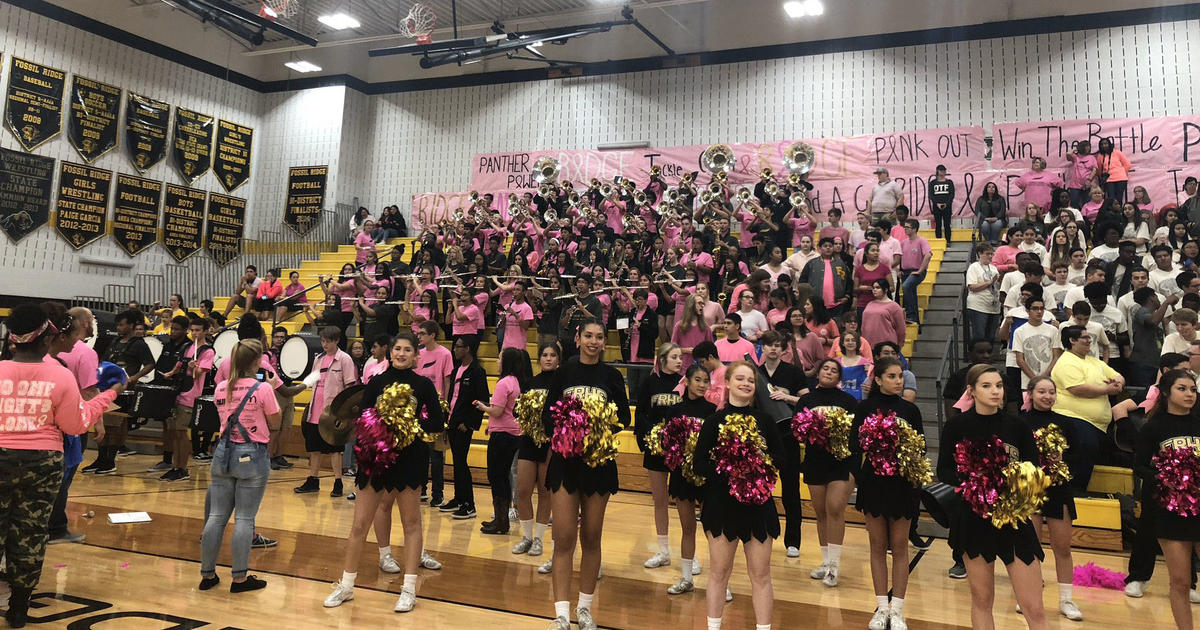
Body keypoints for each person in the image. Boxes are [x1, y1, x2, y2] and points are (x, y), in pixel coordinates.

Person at [0, 304, 120, 626]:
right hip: (42, 461)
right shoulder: (59, 376)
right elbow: (75, 425)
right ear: (46, 338)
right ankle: (19, 608)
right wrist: (107, 396)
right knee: (31, 531)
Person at [323, 331, 446, 613]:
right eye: (397, 349)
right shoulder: (376, 382)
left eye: (407, 350)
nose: (401, 353)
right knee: (358, 525)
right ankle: (347, 585)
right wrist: (381, 429)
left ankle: (409, 589)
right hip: (376, 459)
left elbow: (437, 423)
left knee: (411, 523)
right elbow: (364, 420)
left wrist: (408, 427)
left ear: (416, 355)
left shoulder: (424, 385)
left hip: (410, 459)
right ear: (390, 353)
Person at [937, 365, 1050, 630]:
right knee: (982, 600)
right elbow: (944, 471)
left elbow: (1033, 469)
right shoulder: (956, 427)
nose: (995, 391)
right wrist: (976, 483)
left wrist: (1013, 486)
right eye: (986, 386)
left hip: (1013, 519)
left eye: (998, 385)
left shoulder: (1018, 426)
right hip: (974, 520)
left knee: (1034, 607)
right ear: (971, 391)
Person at [544, 321, 631, 630]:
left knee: (592, 536)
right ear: (578, 339)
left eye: (599, 337)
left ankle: (584, 609)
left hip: (599, 465)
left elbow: (624, 416)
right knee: (563, 537)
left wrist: (595, 426)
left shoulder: (612, 376)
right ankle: (561, 614)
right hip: (566, 464)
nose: (593, 342)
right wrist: (569, 431)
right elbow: (547, 416)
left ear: (604, 342)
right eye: (589, 336)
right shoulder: (564, 372)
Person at [692, 360, 784, 630]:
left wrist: (756, 465)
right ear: (728, 383)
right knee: (719, 573)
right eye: (740, 379)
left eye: (751, 380)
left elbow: (781, 458)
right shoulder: (713, 422)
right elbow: (699, 465)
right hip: (722, 505)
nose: (746, 384)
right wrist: (730, 469)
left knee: (762, 574)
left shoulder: (766, 421)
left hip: (759, 505)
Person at [198, 338, 279, 594]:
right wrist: (273, 388)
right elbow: (275, 423)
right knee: (244, 518)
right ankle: (240, 578)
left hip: (223, 451)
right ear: (256, 362)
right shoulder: (263, 388)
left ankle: (207, 574)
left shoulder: (221, 387)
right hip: (251, 453)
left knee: (216, 516)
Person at [850, 356, 924, 630]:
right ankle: (882, 608)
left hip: (903, 484)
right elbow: (854, 446)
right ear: (878, 380)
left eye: (900, 376)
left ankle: (899, 610)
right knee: (878, 546)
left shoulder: (910, 410)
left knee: (901, 545)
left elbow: (921, 448)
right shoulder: (864, 408)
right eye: (891, 376)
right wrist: (862, 476)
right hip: (873, 484)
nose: (898, 381)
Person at [1134, 369, 1200, 630]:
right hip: (1171, 511)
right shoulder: (1153, 428)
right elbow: (1140, 466)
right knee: (1181, 581)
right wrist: (1167, 478)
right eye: (1182, 389)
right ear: (1167, 393)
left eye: (1192, 389)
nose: (1189, 394)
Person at [1023, 376, 1085, 621]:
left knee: (1063, 546)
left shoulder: (1065, 423)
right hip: (1030, 490)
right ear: (1030, 393)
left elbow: (1078, 456)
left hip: (1058, 490)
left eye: (1051, 392)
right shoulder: (1021, 422)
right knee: (1031, 546)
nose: (1047, 396)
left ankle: (1066, 599)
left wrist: (1061, 461)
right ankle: (1031, 597)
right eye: (1041, 391)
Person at [797, 359, 858, 587]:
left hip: (841, 462)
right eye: (825, 368)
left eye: (834, 370)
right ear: (818, 373)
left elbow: (856, 434)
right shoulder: (806, 400)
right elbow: (797, 429)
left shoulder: (849, 401)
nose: (829, 372)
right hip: (815, 462)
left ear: (839, 377)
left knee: (835, 509)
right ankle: (825, 562)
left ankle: (834, 567)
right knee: (821, 513)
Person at [660, 363, 718, 595]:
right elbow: (666, 444)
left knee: (713, 530)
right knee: (687, 528)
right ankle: (686, 578)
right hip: (681, 476)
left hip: (706, 477)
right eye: (698, 380)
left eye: (706, 381)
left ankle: (721, 583)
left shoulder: (713, 411)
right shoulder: (674, 411)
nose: (702, 385)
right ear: (687, 381)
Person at [1050, 325, 1124, 489]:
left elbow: (1117, 375)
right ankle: (1075, 493)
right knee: (1082, 455)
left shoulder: (1094, 361)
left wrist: (1118, 383)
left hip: (1097, 424)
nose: (1089, 340)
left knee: (1094, 456)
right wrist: (1107, 389)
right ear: (1072, 340)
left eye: (1089, 337)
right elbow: (1077, 389)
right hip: (1074, 419)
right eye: (1085, 337)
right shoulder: (1066, 362)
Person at [82, 309, 154, 475]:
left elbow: (150, 364)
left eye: (122, 325)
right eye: (118, 325)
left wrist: (135, 377)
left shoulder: (139, 343)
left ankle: (110, 460)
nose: (119, 328)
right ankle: (101, 458)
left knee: (116, 425)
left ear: (130, 325)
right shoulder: (114, 341)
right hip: (106, 387)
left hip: (124, 389)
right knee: (105, 422)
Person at [635, 343, 684, 569]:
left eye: (680, 357)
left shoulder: (685, 383)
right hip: (656, 449)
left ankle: (688, 555)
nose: (679, 361)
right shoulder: (650, 382)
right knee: (660, 500)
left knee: (685, 501)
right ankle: (663, 551)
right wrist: (651, 436)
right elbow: (641, 413)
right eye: (674, 357)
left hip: (680, 450)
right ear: (662, 359)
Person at [294, 327, 358, 497]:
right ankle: (312, 480)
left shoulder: (345, 359)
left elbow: (350, 387)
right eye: (322, 341)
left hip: (333, 412)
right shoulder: (318, 359)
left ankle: (338, 483)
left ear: (336, 340)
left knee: (334, 449)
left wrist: (344, 414)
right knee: (314, 448)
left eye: (328, 341)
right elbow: (312, 380)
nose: (324, 344)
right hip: (315, 410)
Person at [513, 343, 560, 560]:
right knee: (522, 490)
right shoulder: (530, 383)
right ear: (539, 359)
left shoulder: (561, 383)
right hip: (529, 440)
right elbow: (516, 409)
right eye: (544, 355)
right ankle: (526, 536)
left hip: (550, 442)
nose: (548, 359)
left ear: (558, 359)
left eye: (552, 355)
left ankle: (539, 538)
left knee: (544, 491)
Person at [477, 348, 531, 535]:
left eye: (500, 358)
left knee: (496, 476)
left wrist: (483, 407)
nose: (498, 361)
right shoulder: (517, 382)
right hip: (512, 433)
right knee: (503, 477)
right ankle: (502, 520)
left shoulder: (503, 383)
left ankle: (500, 521)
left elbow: (497, 411)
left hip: (502, 436)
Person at [441, 335, 489, 520]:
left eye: (458, 347)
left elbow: (482, 399)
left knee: (461, 462)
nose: (455, 350)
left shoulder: (477, 372)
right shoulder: (456, 370)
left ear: (467, 349)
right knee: (456, 462)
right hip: (453, 421)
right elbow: (451, 396)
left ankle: (469, 504)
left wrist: (469, 423)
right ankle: (459, 499)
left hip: (463, 425)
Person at [415, 321, 452, 506]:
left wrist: (445, 407)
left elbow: (446, 382)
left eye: (422, 333)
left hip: (437, 409)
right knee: (420, 453)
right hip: (419, 410)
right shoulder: (418, 354)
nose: (419, 336)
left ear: (432, 335)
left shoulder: (445, 354)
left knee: (436, 456)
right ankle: (421, 489)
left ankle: (438, 494)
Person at [799, 237, 852, 316]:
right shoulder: (812, 264)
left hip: (837, 305)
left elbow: (849, 282)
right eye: (825, 246)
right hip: (816, 305)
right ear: (819, 248)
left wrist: (847, 297)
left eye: (830, 246)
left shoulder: (841, 264)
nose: (828, 248)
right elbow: (802, 282)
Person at [966, 242, 1002, 343]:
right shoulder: (974, 267)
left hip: (993, 307)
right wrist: (989, 282)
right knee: (980, 336)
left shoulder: (994, 268)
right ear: (980, 254)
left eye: (992, 254)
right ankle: (977, 358)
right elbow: (972, 286)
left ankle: (987, 357)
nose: (990, 256)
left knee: (991, 337)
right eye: (987, 254)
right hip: (978, 306)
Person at [899, 219, 932, 323]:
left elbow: (928, 255)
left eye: (907, 227)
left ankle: (911, 314)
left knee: (906, 287)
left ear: (914, 229)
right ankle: (916, 322)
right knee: (911, 292)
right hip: (905, 272)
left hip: (916, 271)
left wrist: (920, 270)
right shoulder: (903, 243)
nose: (905, 229)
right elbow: (899, 257)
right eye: (905, 227)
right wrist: (899, 269)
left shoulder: (921, 241)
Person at [861, 279, 906, 348]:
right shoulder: (870, 304)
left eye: (878, 288)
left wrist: (899, 345)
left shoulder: (894, 306)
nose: (874, 290)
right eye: (873, 288)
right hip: (868, 343)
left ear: (886, 289)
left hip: (886, 345)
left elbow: (901, 329)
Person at [1096, 137, 1133, 203]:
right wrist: (1102, 177)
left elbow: (1128, 164)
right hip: (1109, 179)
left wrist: (1122, 173)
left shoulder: (1117, 152)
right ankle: (1112, 213)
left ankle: (1119, 213)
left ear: (1109, 144)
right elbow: (1099, 169)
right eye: (1102, 144)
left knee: (1119, 198)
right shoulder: (1100, 155)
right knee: (1111, 199)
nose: (1104, 145)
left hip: (1121, 178)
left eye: (1105, 143)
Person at [928, 164, 955, 242]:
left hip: (947, 206)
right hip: (937, 207)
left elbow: (952, 194)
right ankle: (939, 241)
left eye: (944, 170)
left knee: (947, 224)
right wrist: (937, 203)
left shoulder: (949, 182)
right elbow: (931, 195)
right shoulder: (933, 183)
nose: (942, 172)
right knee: (938, 225)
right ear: (937, 171)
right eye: (941, 170)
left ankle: (948, 241)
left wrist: (947, 204)